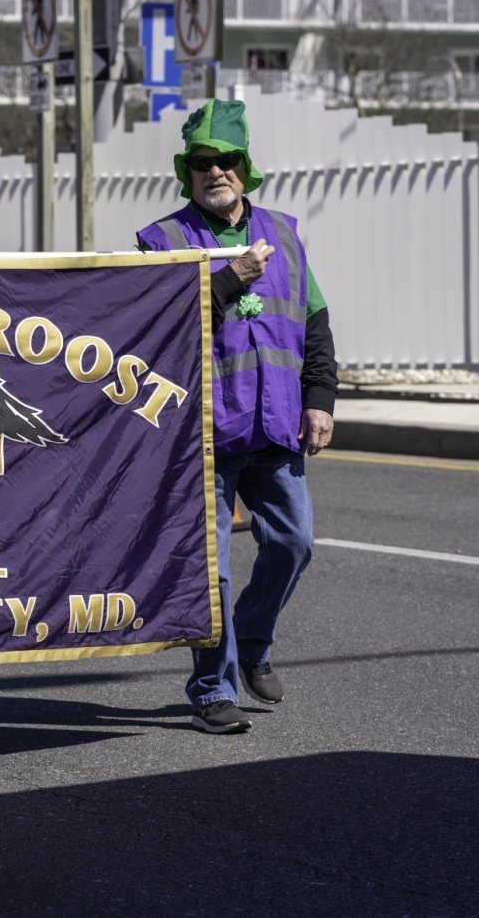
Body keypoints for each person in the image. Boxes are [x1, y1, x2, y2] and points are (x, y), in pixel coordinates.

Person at [136, 99, 337, 735]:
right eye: (202, 163)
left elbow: (315, 325)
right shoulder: (161, 241)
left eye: (226, 161)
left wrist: (319, 401)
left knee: (294, 543)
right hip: (201, 437)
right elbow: (151, 330)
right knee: (213, 570)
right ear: (186, 172)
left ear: (245, 169)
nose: (214, 171)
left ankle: (252, 642)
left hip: (275, 426)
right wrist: (230, 280)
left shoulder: (283, 231)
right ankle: (212, 687)